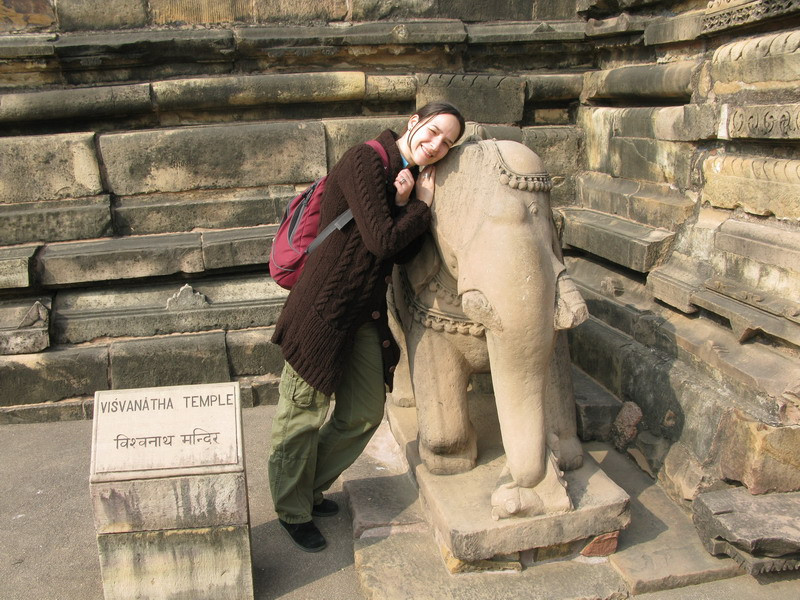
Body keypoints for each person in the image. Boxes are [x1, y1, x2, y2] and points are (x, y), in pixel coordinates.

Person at [268, 102, 466, 552]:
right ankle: (292, 509)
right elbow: (381, 240)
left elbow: (398, 254)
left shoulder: (404, 177)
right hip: (321, 311)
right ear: (413, 122)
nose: (435, 144)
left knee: (363, 413)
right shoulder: (365, 159)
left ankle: (306, 486)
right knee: (301, 414)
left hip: (362, 314)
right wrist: (420, 206)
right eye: (432, 130)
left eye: (447, 142)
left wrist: (404, 204)